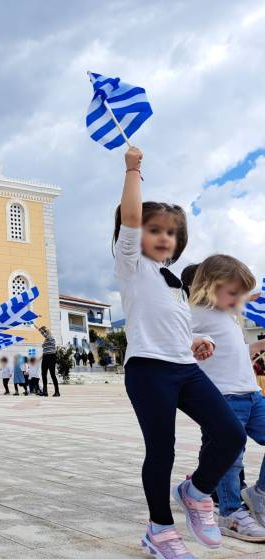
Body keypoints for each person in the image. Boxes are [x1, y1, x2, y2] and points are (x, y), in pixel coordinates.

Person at [114, 146, 245, 557]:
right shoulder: (130, 264)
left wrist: (194, 342)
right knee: (162, 450)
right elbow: (131, 218)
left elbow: (165, 326)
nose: (163, 237)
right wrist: (133, 170)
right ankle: (160, 531)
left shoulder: (173, 284)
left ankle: (196, 491)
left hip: (184, 368)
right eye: (155, 229)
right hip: (149, 371)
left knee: (230, 433)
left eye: (170, 232)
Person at [189, 255, 265, 542]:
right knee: (230, 457)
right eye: (233, 293)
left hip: (252, 395)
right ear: (209, 285)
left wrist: (259, 344)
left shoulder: (228, 317)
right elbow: (176, 340)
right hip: (222, 397)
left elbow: (238, 352)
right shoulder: (194, 313)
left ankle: (259, 495)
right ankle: (230, 513)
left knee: (231, 455)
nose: (238, 300)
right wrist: (195, 344)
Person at [38, 325, 60, 397]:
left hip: (51, 357)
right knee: (43, 374)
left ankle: (57, 392)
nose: (44, 332)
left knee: (52, 374)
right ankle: (45, 391)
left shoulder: (50, 337)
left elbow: (43, 332)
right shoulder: (46, 339)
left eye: (45, 331)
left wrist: (35, 326)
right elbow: (45, 350)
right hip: (45, 357)